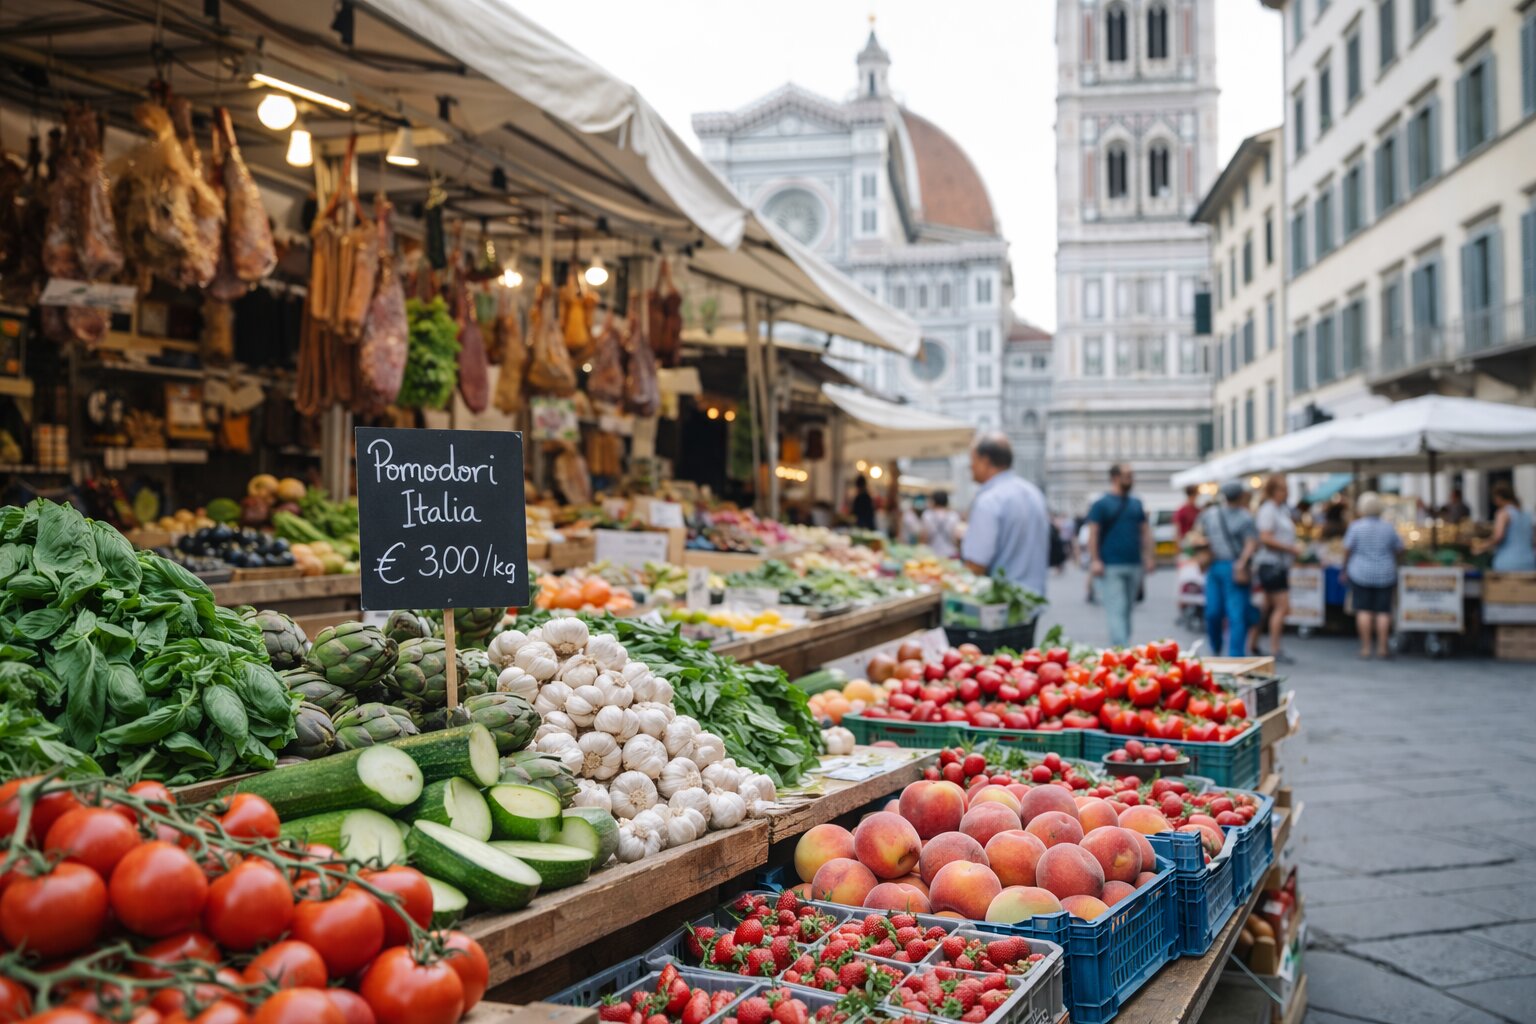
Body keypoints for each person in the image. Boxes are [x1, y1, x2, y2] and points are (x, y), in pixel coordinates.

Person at [960, 433, 1049, 597]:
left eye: (972, 462)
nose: (970, 468)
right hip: (1033, 597)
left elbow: (977, 564)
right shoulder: (1034, 493)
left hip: (1001, 602)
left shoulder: (989, 500)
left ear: (985, 461)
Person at [1086, 464, 1155, 647]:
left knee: (1127, 609)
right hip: (1110, 565)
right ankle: (1122, 650)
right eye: (1127, 475)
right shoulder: (1101, 504)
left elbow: (1145, 532)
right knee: (1116, 609)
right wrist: (1095, 560)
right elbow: (1093, 533)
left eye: (1132, 475)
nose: (1131, 479)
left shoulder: (1136, 503)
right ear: (1115, 477)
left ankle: (1123, 647)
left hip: (1134, 563)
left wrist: (1148, 557)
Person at [1199, 481, 1260, 656]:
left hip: (1232, 567)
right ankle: (1218, 647)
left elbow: (1250, 542)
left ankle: (1235, 655)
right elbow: (1251, 542)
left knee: (1232, 613)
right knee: (1218, 612)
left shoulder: (1243, 517)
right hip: (1219, 565)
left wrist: (1241, 562)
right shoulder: (1212, 515)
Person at [1343, 492, 1405, 659]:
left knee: (1363, 610)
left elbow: (1347, 549)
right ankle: (1383, 648)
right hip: (1385, 572)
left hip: (1361, 572)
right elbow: (1400, 548)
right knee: (1383, 611)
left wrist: (1344, 568)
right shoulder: (1388, 526)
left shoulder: (1356, 526)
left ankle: (1365, 647)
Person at [1253, 476, 1302, 664]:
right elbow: (1265, 537)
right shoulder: (1269, 510)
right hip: (1271, 564)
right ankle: (1275, 648)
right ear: (1275, 491)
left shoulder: (1279, 509)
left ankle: (1254, 643)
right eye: (1283, 489)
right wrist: (1290, 548)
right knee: (1282, 606)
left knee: (1266, 607)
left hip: (1276, 564)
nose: (1287, 492)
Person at [1474, 482, 1536, 571]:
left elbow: (1498, 536)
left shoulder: (1503, 513)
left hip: (1507, 562)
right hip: (1529, 562)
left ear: (1498, 497)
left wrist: (1482, 547)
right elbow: (1533, 540)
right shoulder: (1528, 514)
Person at [921, 491, 961, 559]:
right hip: (950, 553)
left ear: (933, 501)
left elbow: (923, 537)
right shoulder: (954, 516)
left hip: (931, 554)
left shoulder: (927, 515)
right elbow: (957, 537)